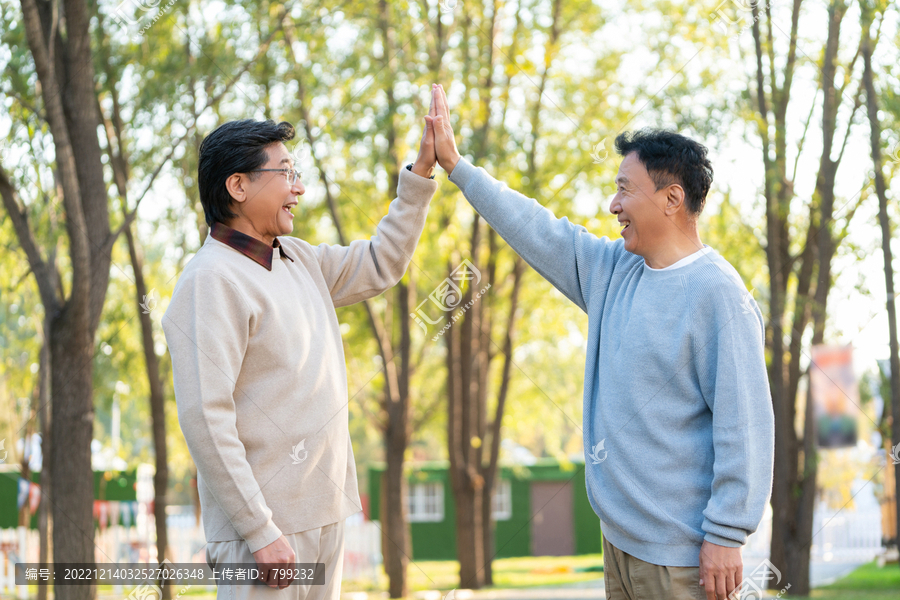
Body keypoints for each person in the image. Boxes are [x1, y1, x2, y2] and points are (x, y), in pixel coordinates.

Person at [424, 83, 775, 600]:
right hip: (620, 547)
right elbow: (537, 227)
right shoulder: (614, 270)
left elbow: (744, 424)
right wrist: (457, 166)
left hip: (684, 559)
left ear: (672, 198)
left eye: (624, 189)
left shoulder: (719, 296)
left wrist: (726, 534)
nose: (613, 205)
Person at [162, 106, 438, 600]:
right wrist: (259, 530)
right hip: (263, 537)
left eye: (297, 174)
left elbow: (381, 261)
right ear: (238, 186)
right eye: (285, 173)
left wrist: (420, 174)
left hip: (322, 518)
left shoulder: (299, 259)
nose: (299, 188)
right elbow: (206, 418)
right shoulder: (210, 281)